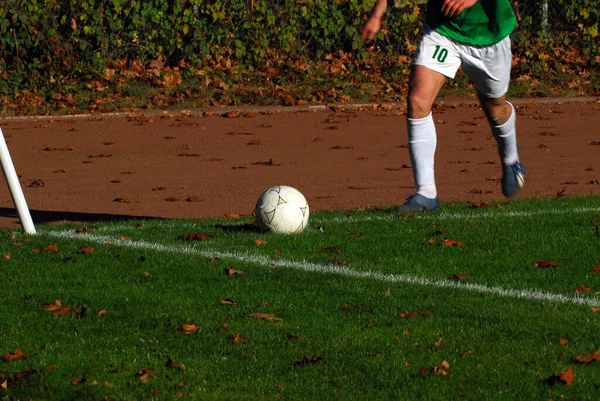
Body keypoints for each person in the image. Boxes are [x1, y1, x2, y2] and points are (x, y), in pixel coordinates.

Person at [361, 0, 526, 211]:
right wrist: (376, 15)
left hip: (488, 33)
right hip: (443, 29)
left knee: (495, 108)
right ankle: (426, 193)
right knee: (418, 100)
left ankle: (511, 159)